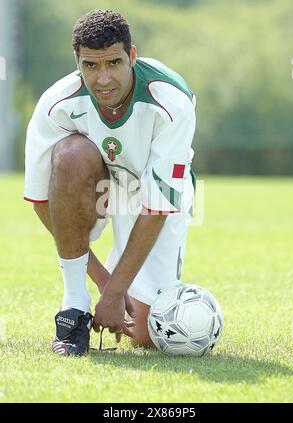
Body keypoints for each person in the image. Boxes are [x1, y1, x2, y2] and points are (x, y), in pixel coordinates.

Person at [24, 9, 196, 356]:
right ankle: (72, 309)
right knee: (71, 155)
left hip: (151, 196)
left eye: (113, 63)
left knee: (145, 332)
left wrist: (117, 294)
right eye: (90, 66)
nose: (103, 79)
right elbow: (42, 201)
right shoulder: (56, 104)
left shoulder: (172, 100)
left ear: (132, 56)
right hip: (98, 186)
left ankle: (183, 306)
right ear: (77, 64)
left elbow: (157, 205)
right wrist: (105, 284)